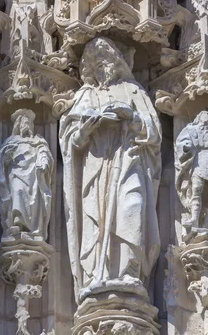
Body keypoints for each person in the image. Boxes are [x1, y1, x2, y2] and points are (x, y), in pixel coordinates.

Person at [59, 37, 161, 301]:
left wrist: (132, 117)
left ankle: (129, 271)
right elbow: (71, 141)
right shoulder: (85, 95)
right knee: (96, 218)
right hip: (95, 166)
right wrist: (86, 128)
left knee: (131, 206)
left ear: (118, 63)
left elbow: (154, 134)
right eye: (96, 62)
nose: (103, 67)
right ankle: (97, 275)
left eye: (107, 61)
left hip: (128, 160)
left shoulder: (134, 91)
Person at [0, 109, 54, 240]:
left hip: (34, 175)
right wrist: (6, 156)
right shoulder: (11, 141)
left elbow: (44, 153)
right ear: (18, 125)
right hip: (16, 174)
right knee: (17, 192)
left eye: (29, 123)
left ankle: (33, 229)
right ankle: (16, 224)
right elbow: (1, 160)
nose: (26, 125)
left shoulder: (38, 140)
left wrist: (44, 162)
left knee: (33, 201)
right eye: (24, 122)